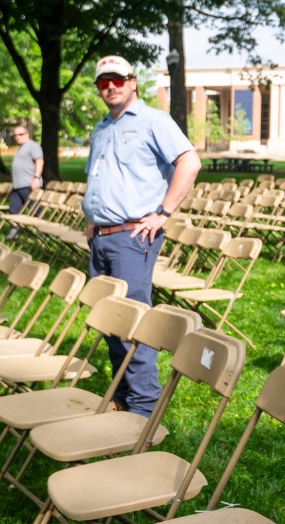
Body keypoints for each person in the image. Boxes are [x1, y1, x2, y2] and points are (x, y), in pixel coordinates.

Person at [81, 55, 201, 416]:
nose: (111, 86)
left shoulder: (154, 121)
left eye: (117, 79)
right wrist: (91, 218)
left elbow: (189, 161)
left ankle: (145, 410)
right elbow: (98, 176)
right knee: (109, 320)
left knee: (134, 321)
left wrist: (163, 213)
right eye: (103, 82)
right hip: (101, 238)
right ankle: (123, 394)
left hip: (132, 238)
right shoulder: (102, 128)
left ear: (133, 82)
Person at [9, 125, 44, 214]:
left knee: (36, 211)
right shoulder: (21, 147)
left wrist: (36, 178)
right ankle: (14, 228)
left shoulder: (33, 146)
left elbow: (39, 162)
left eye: (20, 134)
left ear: (27, 134)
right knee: (14, 211)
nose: (17, 137)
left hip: (29, 185)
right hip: (17, 186)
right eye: (15, 135)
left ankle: (43, 228)